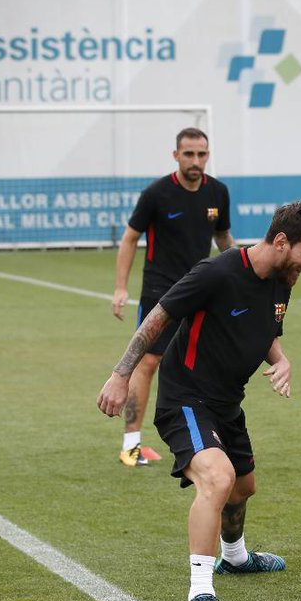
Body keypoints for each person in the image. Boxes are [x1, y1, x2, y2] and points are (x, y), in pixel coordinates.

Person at [97, 202, 301, 601]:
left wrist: (281, 360)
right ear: (281, 241)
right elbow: (157, 319)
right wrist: (120, 375)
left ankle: (236, 558)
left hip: (227, 403)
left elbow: (266, 331)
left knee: (243, 487)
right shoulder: (217, 273)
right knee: (218, 479)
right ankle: (200, 593)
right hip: (185, 399)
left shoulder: (284, 279)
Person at [110, 127, 236, 468]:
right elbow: (129, 238)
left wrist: (242, 268)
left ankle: (206, 437)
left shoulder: (218, 192)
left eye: (201, 154)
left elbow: (222, 236)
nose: (195, 160)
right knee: (148, 362)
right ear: (176, 155)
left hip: (201, 290)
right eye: (188, 154)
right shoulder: (157, 194)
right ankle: (131, 446)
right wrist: (121, 287)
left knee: (200, 365)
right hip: (160, 290)